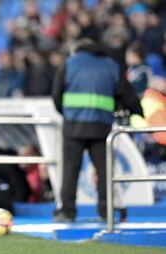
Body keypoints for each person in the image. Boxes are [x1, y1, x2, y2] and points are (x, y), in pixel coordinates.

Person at [52, 38, 143, 222]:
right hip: (101, 127)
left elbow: (56, 95)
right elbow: (127, 94)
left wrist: (68, 114)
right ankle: (105, 212)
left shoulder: (70, 63)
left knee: (70, 171)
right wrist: (138, 112)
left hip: (73, 127)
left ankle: (67, 212)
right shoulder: (110, 65)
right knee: (104, 171)